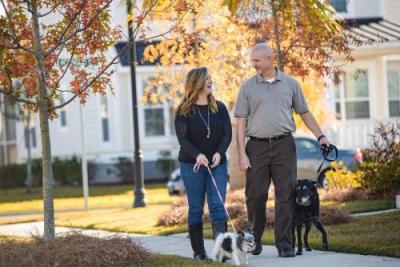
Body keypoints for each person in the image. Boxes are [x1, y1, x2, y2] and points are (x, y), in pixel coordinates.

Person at [234, 43, 330, 257]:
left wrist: (321, 136)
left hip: (284, 146)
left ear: (270, 59)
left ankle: (285, 245)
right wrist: (242, 154)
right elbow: (241, 122)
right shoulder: (248, 87)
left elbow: (304, 112)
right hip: (256, 147)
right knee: (256, 195)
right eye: (253, 60)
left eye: (257, 60)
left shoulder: (290, 84)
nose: (254, 64)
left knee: (286, 195)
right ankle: (255, 240)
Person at [175, 67, 232, 260]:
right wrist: (197, 155)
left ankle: (222, 252)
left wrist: (219, 153)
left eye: (210, 78)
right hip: (192, 165)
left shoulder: (220, 107)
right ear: (197, 83)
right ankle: (199, 252)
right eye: (207, 79)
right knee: (196, 208)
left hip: (217, 164)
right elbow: (182, 139)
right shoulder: (184, 110)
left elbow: (227, 133)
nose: (210, 81)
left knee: (217, 206)